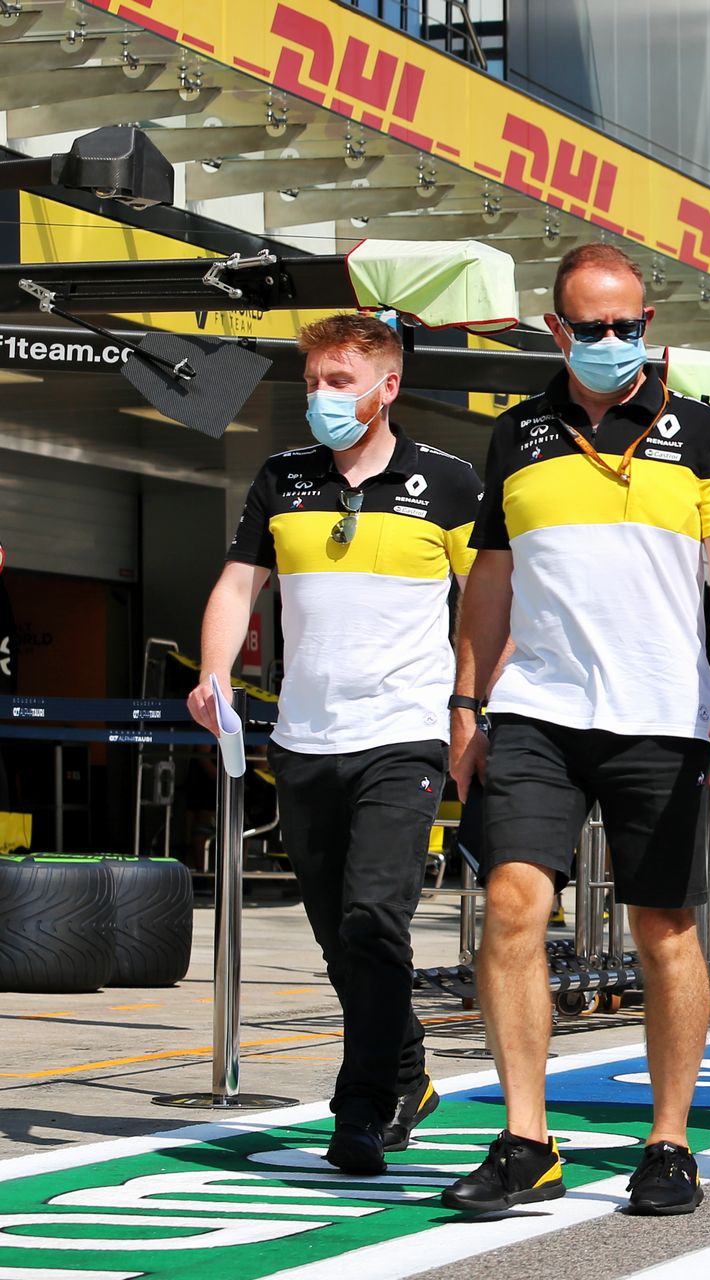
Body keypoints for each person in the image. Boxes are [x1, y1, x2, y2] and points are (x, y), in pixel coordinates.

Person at [443, 243, 710, 1216]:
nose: (614, 340)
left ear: (647, 323)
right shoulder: (516, 434)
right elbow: (491, 581)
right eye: (594, 327)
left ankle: (669, 1141)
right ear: (557, 329)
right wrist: (464, 703)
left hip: (660, 712)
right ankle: (525, 1140)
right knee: (511, 905)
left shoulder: (705, 432)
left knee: (663, 927)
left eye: (629, 324)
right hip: (537, 709)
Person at [186, 314, 481, 1173]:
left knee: (373, 921)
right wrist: (213, 674)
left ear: (388, 387)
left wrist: (472, 709)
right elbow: (237, 585)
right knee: (336, 938)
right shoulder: (282, 477)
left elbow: (489, 599)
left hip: (404, 736)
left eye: (339, 382)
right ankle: (409, 1073)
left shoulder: (447, 480)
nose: (320, 396)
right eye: (313, 381)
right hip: (305, 740)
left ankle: (361, 1110)